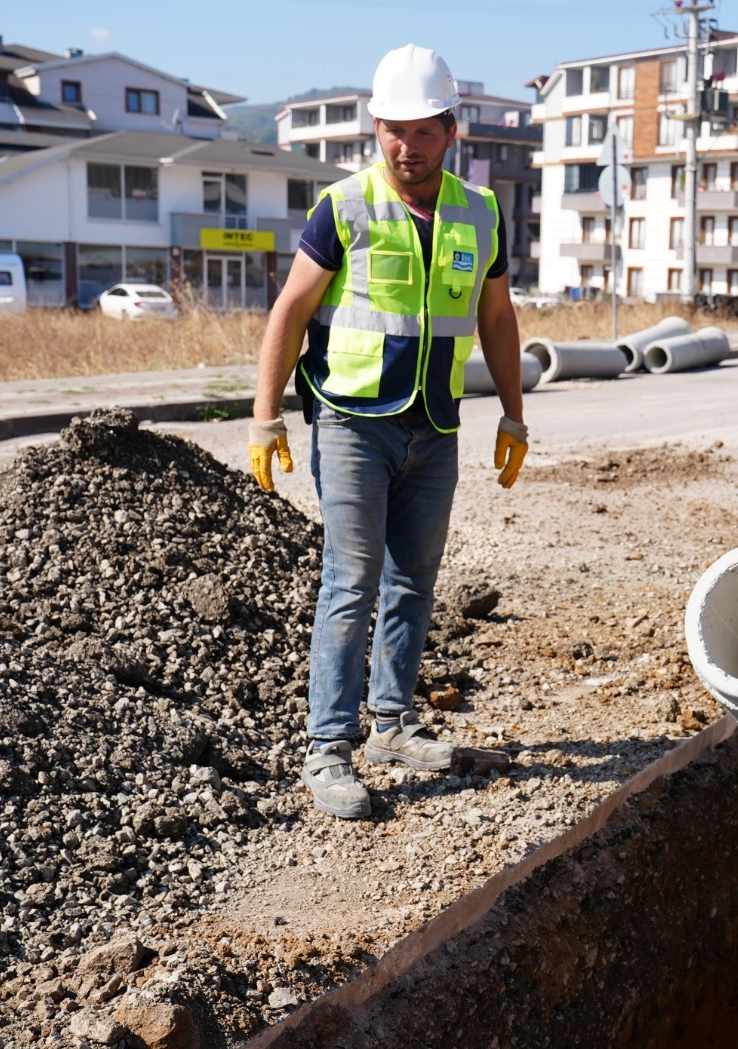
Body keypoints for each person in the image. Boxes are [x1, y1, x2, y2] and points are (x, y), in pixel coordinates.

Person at [247, 44, 528, 820]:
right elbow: (291, 311)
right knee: (353, 578)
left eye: (423, 131)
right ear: (376, 129)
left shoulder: (481, 211)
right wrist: (265, 416)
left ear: (451, 131)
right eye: (393, 131)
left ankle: (393, 727)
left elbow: (497, 316)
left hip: (435, 424)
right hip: (352, 423)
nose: (408, 147)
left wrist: (513, 412)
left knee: (415, 580)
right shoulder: (344, 206)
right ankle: (328, 750)